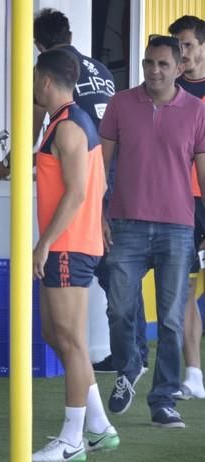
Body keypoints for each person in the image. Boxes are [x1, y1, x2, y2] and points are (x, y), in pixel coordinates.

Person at [0, 8, 150, 375]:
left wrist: (9, 165)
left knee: (102, 279)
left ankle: (130, 356)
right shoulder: (99, 68)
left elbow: (30, 132)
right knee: (119, 268)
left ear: (37, 45)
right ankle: (134, 349)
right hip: (114, 167)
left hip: (87, 174)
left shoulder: (52, 75)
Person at [100, 35, 205, 427]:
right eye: (148, 63)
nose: (154, 71)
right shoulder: (120, 104)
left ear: (180, 68)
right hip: (125, 223)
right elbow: (100, 166)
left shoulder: (196, 111)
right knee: (119, 308)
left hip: (178, 228)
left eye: (162, 64)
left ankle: (163, 400)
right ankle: (129, 369)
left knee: (172, 319)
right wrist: (98, 214)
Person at [30, 48, 117, 462]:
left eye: (33, 78)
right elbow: (93, 189)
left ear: (45, 81)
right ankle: (98, 425)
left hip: (68, 246)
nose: (32, 85)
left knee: (71, 340)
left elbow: (80, 192)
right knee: (55, 335)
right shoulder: (64, 122)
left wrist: (44, 242)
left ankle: (72, 440)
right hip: (70, 243)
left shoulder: (68, 126)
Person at [169, 15, 205, 400]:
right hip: (183, 204)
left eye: (189, 45)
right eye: (178, 46)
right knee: (185, 290)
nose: (183, 54)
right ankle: (193, 373)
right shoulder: (169, 93)